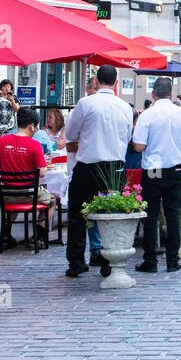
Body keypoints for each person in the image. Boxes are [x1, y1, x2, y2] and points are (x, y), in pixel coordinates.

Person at [63, 65, 133, 278]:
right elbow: (128, 137)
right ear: (116, 82)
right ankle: (108, 261)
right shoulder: (125, 107)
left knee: (77, 215)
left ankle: (76, 262)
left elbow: (71, 133)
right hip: (115, 168)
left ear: (95, 82)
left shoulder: (86, 103)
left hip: (88, 166)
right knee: (112, 215)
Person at [130, 77, 181, 273]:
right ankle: (172, 260)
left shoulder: (147, 115)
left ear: (153, 94)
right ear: (170, 94)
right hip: (175, 170)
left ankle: (150, 261)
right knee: (172, 214)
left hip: (152, 171)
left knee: (151, 215)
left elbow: (139, 146)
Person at [0, 108, 55, 247]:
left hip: (6, 193)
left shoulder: (2, 141)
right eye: (36, 127)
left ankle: (6, 233)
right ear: (31, 126)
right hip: (29, 194)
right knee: (51, 202)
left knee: (12, 203)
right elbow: (42, 173)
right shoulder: (34, 145)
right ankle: (38, 235)